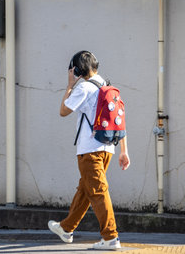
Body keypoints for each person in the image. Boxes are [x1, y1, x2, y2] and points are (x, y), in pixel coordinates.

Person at [48, 50, 130, 250]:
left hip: (89, 150)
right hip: (107, 148)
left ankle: (110, 237)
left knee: (98, 191)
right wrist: (123, 150)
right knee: (85, 189)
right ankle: (66, 229)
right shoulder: (106, 85)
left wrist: (69, 86)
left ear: (76, 70)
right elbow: (119, 120)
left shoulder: (83, 87)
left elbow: (63, 111)